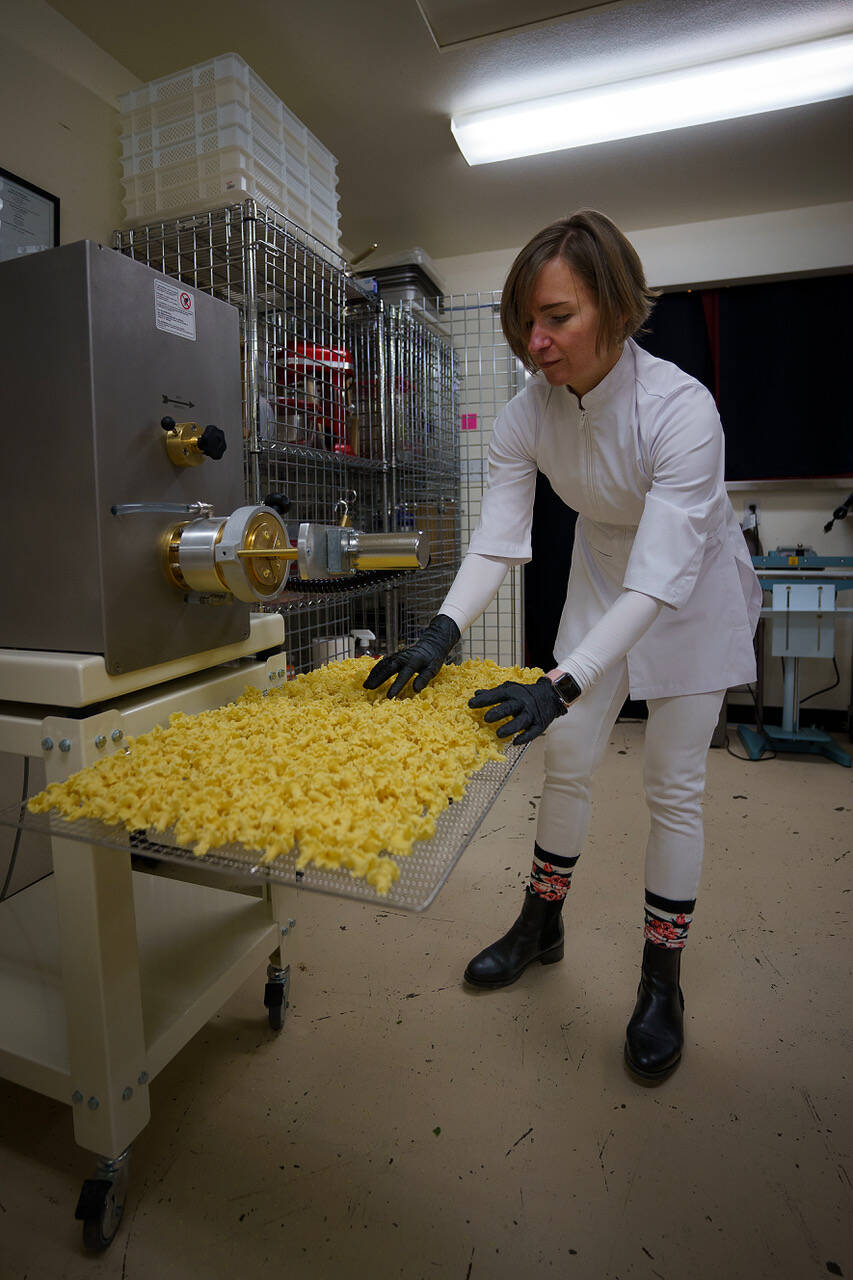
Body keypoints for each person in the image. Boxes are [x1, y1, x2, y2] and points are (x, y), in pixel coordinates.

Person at [364, 210, 761, 1080]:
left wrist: (557, 681)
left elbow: (659, 582)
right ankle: (541, 923)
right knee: (569, 755)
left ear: (616, 308)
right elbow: (500, 537)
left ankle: (663, 980)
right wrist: (440, 631)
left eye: (557, 319)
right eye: (525, 324)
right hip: (600, 567)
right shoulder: (526, 415)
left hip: (688, 585)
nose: (534, 343)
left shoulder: (680, 410)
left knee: (673, 783)